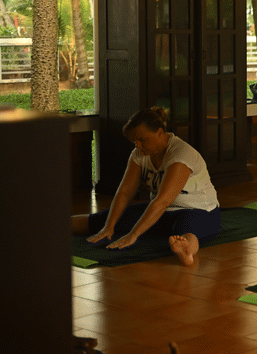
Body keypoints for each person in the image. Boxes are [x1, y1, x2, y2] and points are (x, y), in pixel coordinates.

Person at [71, 107, 221, 266]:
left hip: (200, 211)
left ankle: (186, 250)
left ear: (159, 133)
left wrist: (133, 235)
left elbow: (163, 201)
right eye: (134, 141)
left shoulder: (181, 154)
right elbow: (125, 192)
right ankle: (49, 225)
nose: (137, 145)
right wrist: (109, 226)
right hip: (162, 213)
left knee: (186, 229)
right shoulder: (139, 154)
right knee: (100, 220)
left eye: (142, 140)